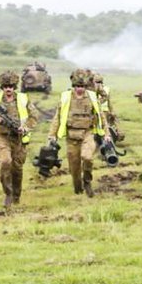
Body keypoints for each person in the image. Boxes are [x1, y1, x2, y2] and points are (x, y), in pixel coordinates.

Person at [0, 70, 37, 208]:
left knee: (17, 169)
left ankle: (16, 196)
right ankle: (8, 194)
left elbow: (34, 116)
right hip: (2, 137)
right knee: (5, 162)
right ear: (2, 87)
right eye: (5, 87)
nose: (8, 89)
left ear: (14, 87)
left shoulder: (23, 99)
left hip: (19, 139)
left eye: (10, 86)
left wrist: (26, 127)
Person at [48, 68, 106, 196]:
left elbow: (101, 116)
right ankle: (78, 189)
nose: (80, 89)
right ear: (73, 86)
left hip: (87, 133)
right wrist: (52, 135)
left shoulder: (92, 97)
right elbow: (57, 118)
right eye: (77, 86)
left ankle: (87, 182)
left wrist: (106, 134)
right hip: (71, 137)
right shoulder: (66, 98)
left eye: (82, 86)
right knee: (74, 168)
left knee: (87, 157)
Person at [92, 72, 121, 143]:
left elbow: (108, 101)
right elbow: (109, 102)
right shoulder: (104, 89)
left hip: (101, 111)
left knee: (102, 127)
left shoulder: (97, 88)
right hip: (100, 110)